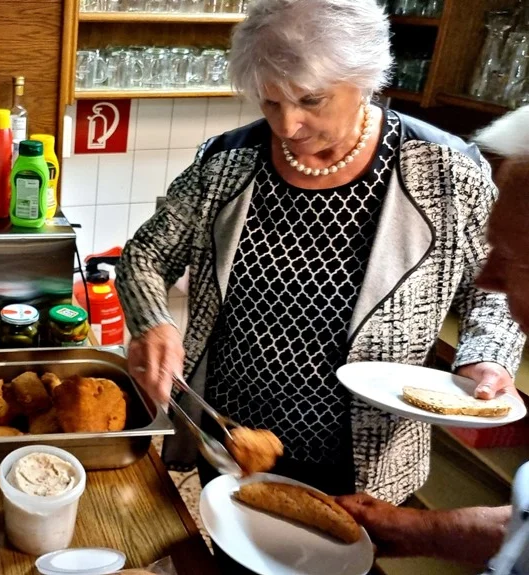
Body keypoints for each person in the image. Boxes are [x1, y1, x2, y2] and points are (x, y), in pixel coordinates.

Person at [117, 0, 524, 508]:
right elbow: (144, 257)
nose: (287, 125)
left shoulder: (446, 172)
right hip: (231, 440)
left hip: (364, 459)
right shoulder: (227, 163)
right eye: (270, 103)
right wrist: (154, 321)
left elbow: (495, 288)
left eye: (311, 100)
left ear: (367, 78)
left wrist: (486, 357)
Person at [338, 105, 529, 575]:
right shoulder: (230, 154)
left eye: (515, 257)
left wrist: (488, 354)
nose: (487, 278)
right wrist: (417, 531)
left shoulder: (445, 163)